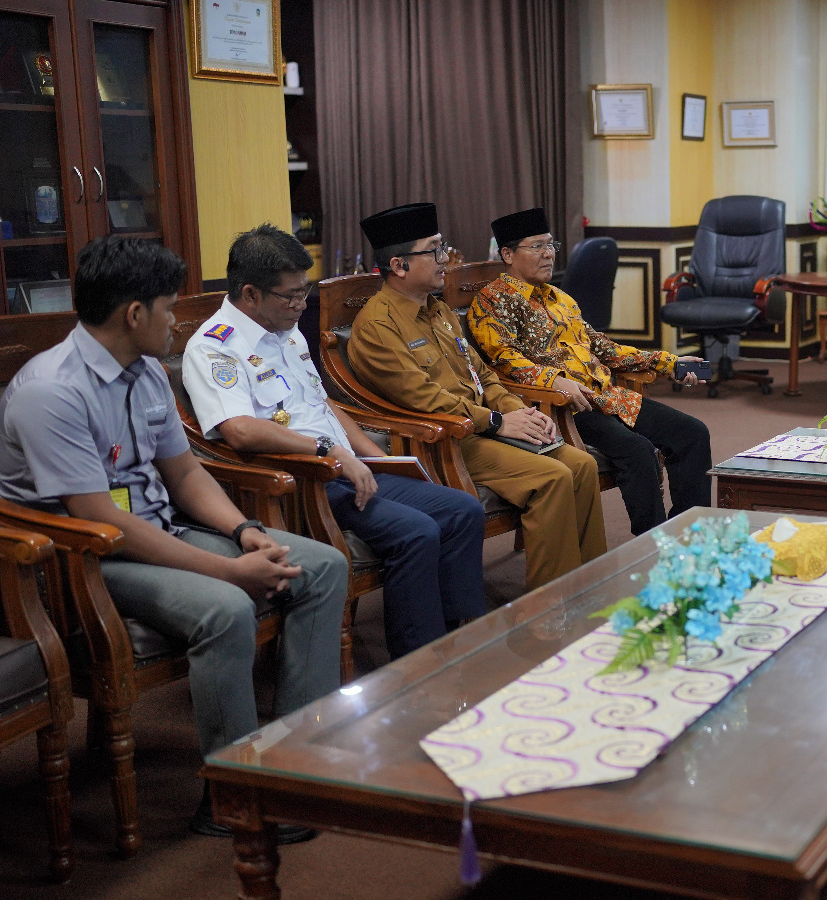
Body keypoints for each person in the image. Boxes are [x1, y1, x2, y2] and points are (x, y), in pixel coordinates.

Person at [0, 236, 347, 842]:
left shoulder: (147, 373)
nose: (178, 321)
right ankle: (232, 794)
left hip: (155, 532)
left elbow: (184, 474)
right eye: (169, 307)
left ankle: (294, 764)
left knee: (323, 566)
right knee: (228, 607)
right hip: (77, 561)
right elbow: (102, 520)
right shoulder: (52, 390)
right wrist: (232, 571)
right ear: (134, 314)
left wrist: (244, 531)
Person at [184, 224, 486, 659]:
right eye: (289, 296)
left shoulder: (284, 326)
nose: (300, 305)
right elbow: (240, 430)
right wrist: (331, 453)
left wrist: (375, 456)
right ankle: (417, 660)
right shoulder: (215, 348)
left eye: (303, 291)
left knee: (462, 510)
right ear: (249, 294)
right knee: (417, 532)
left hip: (345, 467)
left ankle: (459, 636)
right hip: (303, 481)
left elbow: (320, 403)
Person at [345, 203, 606, 590]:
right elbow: (424, 400)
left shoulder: (439, 310)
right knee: (552, 478)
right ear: (399, 265)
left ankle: (593, 588)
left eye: (443, 247)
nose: (445, 259)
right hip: (445, 440)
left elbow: (481, 374)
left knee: (581, 465)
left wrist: (519, 412)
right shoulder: (378, 326)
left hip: (486, 427)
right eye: (434, 250)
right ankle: (552, 611)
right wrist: (499, 422)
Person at [467, 208, 713, 535]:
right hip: (561, 407)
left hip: (607, 397)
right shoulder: (494, 300)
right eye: (537, 247)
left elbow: (603, 348)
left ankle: (690, 534)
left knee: (692, 433)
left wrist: (669, 362)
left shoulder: (560, 299)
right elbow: (503, 360)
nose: (549, 254)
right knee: (638, 451)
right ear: (508, 254)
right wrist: (556, 381)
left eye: (551, 245)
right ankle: (655, 547)